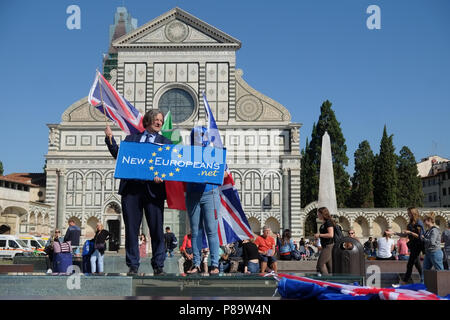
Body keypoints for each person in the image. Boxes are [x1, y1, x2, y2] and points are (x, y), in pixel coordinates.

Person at [105, 109, 172, 275]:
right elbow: (120, 157)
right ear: (148, 120)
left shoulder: (166, 142)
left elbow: (169, 165)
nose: (159, 123)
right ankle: (133, 265)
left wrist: (161, 176)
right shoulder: (132, 139)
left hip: (154, 191)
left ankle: (158, 265)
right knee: (131, 230)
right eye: (156, 119)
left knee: (156, 229)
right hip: (132, 190)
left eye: (161, 121)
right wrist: (110, 139)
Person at [185, 127, 224, 275]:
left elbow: (225, 172)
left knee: (211, 231)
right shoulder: (186, 154)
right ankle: (196, 264)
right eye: (196, 136)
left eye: (202, 135)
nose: (200, 138)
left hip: (210, 194)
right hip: (192, 194)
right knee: (195, 232)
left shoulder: (214, 153)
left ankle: (214, 264)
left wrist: (216, 172)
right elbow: (179, 170)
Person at [401, 207, 425, 284]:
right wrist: (394, 233)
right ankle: (423, 278)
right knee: (417, 264)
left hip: (418, 245)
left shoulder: (419, 222)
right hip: (413, 245)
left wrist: (410, 232)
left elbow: (419, 235)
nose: (408, 214)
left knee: (410, 264)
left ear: (413, 213)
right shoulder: (411, 223)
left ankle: (405, 280)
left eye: (409, 213)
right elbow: (405, 235)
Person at [314, 207, 335, 275]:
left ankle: (326, 281)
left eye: (319, 214)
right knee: (330, 267)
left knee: (320, 265)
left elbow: (331, 234)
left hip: (328, 246)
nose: (318, 215)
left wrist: (319, 235)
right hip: (325, 246)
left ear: (323, 214)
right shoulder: (324, 223)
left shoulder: (328, 222)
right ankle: (332, 282)